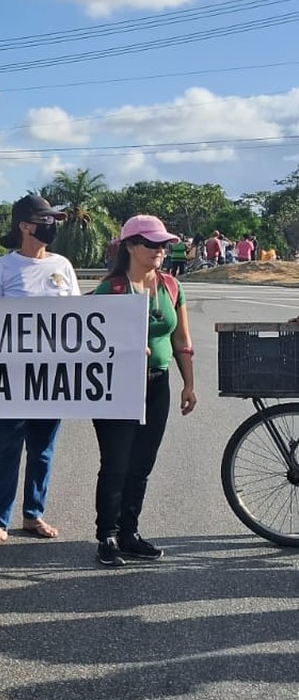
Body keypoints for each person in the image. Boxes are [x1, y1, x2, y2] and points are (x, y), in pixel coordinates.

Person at [91, 215, 196, 567]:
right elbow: (88, 341)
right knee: (116, 463)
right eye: (152, 244)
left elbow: (181, 337)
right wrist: (127, 347)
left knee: (142, 464)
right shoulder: (111, 289)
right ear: (131, 246)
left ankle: (129, 533)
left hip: (158, 383)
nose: (161, 251)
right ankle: (107, 534)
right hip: (117, 384)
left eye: (164, 245)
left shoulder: (171, 286)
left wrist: (189, 383)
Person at [0, 194, 78, 549]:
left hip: (52, 376)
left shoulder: (62, 266)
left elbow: (80, 320)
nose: (52, 227)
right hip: (12, 375)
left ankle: (33, 513)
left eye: (54, 221)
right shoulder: (2, 269)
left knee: (43, 450)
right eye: (45, 220)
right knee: (6, 448)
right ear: (24, 226)